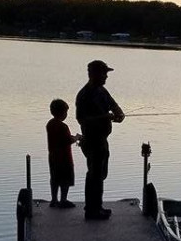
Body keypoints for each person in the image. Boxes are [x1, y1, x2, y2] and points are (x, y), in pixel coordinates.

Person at [75, 60, 124, 220]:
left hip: (102, 140)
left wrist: (119, 114)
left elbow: (114, 106)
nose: (106, 77)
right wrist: (104, 117)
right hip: (91, 140)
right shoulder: (84, 94)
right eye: (104, 73)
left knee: (101, 174)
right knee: (94, 174)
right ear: (94, 74)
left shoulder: (103, 91)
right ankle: (91, 210)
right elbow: (82, 119)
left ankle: (97, 206)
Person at [46, 98, 81, 209]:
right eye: (65, 112)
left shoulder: (50, 124)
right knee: (65, 180)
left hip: (53, 157)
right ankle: (63, 200)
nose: (66, 114)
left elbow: (61, 138)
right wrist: (77, 138)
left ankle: (54, 200)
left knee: (55, 178)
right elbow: (67, 140)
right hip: (64, 158)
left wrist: (72, 137)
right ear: (62, 113)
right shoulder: (63, 126)